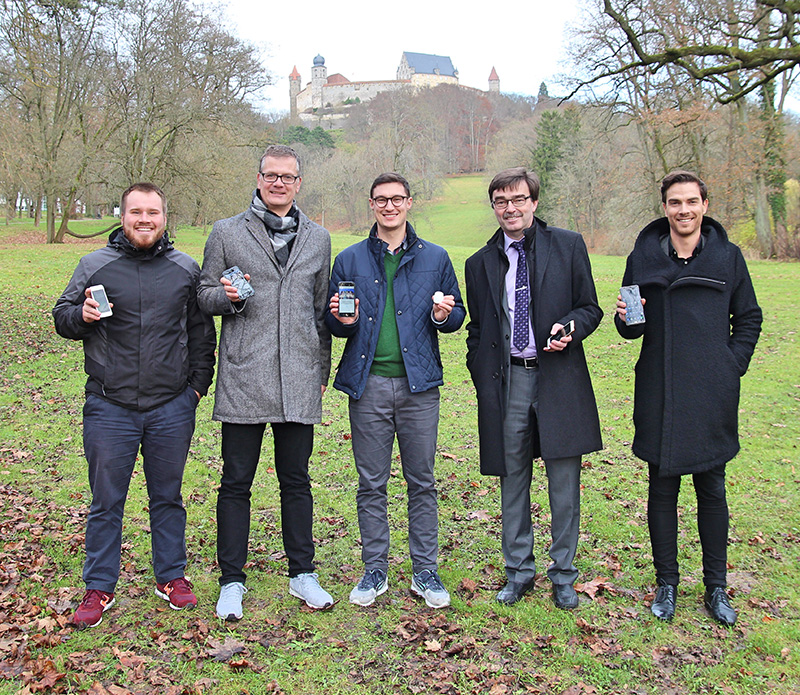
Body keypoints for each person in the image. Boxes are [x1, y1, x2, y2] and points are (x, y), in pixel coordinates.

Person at [53, 183, 216, 629]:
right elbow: (62, 317)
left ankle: (171, 577)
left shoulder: (186, 268)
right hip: (110, 406)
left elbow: (202, 336)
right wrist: (80, 317)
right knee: (106, 501)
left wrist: (195, 391)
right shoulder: (94, 264)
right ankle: (100, 585)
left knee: (168, 497)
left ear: (165, 217)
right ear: (122, 216)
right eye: (136, 212)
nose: (145, 219)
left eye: (153, 212)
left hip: (171, 406)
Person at [615, 170, 762, 626]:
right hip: (659, 388)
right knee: (661, 489)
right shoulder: (641, 258)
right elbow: (629, 328)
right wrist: (625, 318)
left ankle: (716, 587)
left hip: (710, 392)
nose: (684, 210)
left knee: (711, 490)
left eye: (691, 202)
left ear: (704, 205)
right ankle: (667, 583)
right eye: (675, 202)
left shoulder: (728, 257)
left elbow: (750, 318)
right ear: (664, 208)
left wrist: (728, 365)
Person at [197, 145, 333, 620]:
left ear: (299, 183)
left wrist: (321, 370)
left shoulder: (318, 238)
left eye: (288, 176)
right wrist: (228, 297)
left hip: (299, 376)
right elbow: (204, 294)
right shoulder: (227, 232)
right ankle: (231, 579)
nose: (279, 183)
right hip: (244, 374)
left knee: (296, 480)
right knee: (236, 481)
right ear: (258, 179)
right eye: (271, 175)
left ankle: (303, 573)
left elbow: (320, 312)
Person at [464, 167, 602, 609]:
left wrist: (573, 328)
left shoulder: (568, 245)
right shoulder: (479, 262)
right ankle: (519, 571)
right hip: (509, 381)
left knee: (564, 479)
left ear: (534, 202)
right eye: (502, 201)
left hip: (559, 376)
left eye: (519, 199)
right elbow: (478, 328)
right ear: (493, 207)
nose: (511, 208)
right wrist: (481, 372)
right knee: (512, 478)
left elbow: (591, 307)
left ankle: (563, 573)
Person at [326, 173, 465, 608]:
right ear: (371, 205)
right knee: (371, 482)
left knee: (421, 480)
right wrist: (342, 322)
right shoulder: (349, 259)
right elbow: (333, 323)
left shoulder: (436, 257)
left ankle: (425, 570)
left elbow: (457, 314)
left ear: (409, 203)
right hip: (367, 385)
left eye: (397, 199)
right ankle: (375, 569)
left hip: (418, 386)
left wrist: (444, 315)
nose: (389, 207)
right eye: (381, 200)